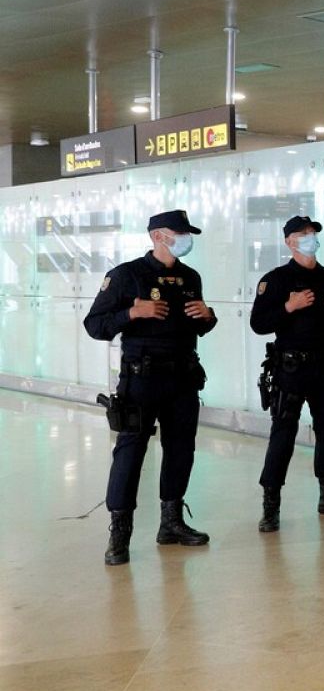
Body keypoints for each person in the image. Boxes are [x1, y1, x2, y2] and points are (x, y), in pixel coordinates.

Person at [83, 210, 215, 566]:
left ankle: (171, 523)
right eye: (179, 232)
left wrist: (208, 316)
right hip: (141, 379)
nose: (186, 238)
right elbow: (94, 325)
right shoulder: (127, 276)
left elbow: (199, 326)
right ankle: (119, 532)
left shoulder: (190, 277)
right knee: (130, 452)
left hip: (183, 378)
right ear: (158, 236)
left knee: (181, 449)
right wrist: (131, 314)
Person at [250, 215, 324, 531]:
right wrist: (288, 307)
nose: (311, 238)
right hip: (290, 368)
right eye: (304, 234)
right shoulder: (276, 280)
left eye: (313, 233)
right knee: (283, 433)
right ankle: (271, 505)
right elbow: (259, 324)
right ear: (289, 242)